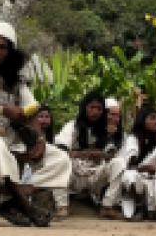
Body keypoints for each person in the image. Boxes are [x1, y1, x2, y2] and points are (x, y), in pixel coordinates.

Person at [0, 21, 71, 228]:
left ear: (10, 51)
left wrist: (39, 139)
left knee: (60, 159)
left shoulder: (16, 77)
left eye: (2, 48)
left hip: (13, 135)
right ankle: (25, 206)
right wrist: (1, 110)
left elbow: (31, 109)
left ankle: (13, 202)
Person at [53, 91, 128, 219]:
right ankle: (62, 206)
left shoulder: (106, 130)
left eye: (99, 108)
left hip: (96, 174)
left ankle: (107, 206)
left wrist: (102, 154)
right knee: (59, 159)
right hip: (74, 173)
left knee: (120, 163)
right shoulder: (72, 126)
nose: (95, 112)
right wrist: (83, 154)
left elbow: (111, 153)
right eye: (92, 107)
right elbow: (60, 147)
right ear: (85, 108)